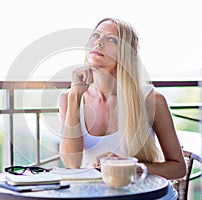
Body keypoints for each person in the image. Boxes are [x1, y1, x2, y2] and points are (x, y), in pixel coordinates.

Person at [58, 17, 186, 199]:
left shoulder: (151, 99)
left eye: (111, 39)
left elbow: (179, 168)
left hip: (147, 195)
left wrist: (129, 166)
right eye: (96, 35)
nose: (99, 42)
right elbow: (71, 163)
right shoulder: (69, 98)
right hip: (100, 195)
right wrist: (74, 96)